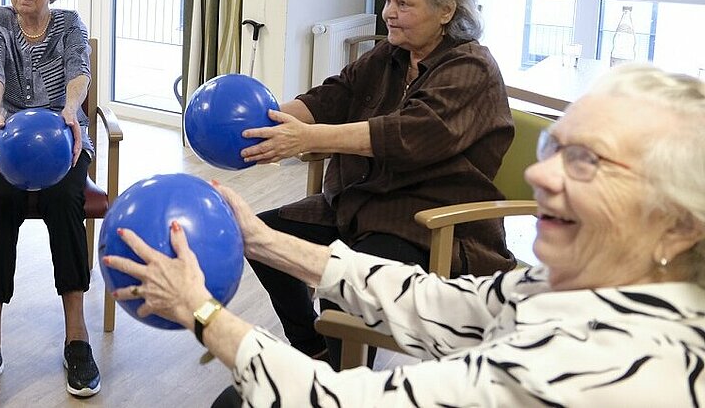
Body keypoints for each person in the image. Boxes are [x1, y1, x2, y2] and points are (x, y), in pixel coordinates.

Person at [107, 64, 705, 405]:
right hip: (365, 203)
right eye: (556, 147)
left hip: (416, 210)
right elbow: (442, 304)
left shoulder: (607, 364)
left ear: (677, 225)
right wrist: (259, 237)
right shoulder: (574, 285)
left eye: (588, 161)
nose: (538, 174)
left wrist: (203, 312)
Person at [238, 0, 515, 364]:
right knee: (262, 238)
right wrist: (268, 119)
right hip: (364, 201)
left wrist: (310, 139)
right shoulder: (391, 54)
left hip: (429, 220)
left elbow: (408, 135)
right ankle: (312, 349)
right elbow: (335, 94)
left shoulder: (470, 67)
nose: (389, 12)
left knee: (343, 285)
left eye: (404, 3)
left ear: (446, 11)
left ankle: (347, 386)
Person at [0, 0, 100, 405]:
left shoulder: (70, 24)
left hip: (62, 136)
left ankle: (76, 338)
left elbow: (79, 70)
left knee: (65, 202)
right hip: (4, 137)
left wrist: (70, 108)